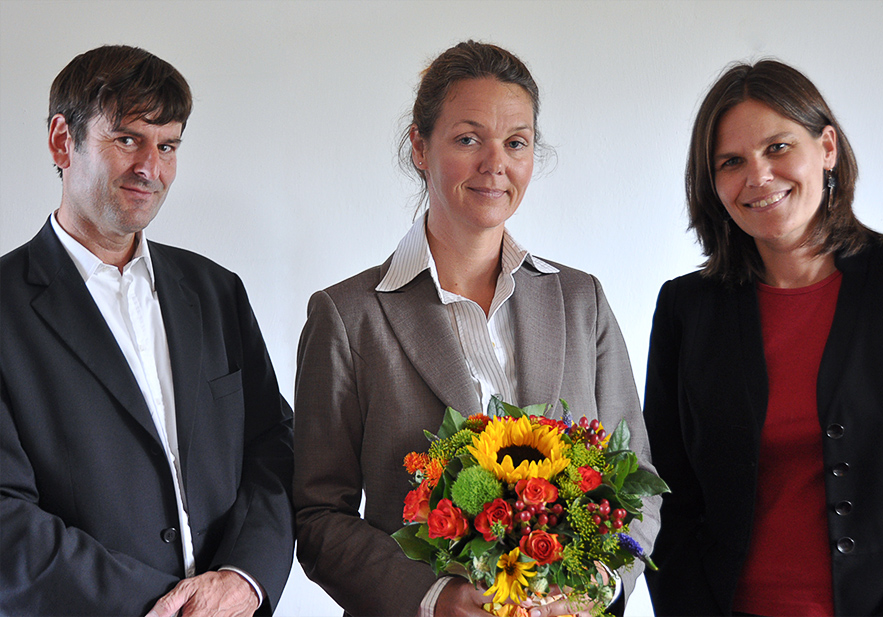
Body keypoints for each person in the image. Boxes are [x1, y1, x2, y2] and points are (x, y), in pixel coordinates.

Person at [294, 40, 660, 617]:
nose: (496, 164)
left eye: (516, 142)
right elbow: (319, 517)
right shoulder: (347, 316)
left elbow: (635, 475)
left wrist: (597, 586)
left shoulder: (580, 300)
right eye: (468, 139)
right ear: (420, 147)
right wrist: (433, 599)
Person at [0, 45, 295, 616]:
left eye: (167, 146)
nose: (150, 169)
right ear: (62, 141)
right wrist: (163, 608)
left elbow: (272, 447)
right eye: (127, 139)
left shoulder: (217, 291)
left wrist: (244, 579)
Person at [643, 59, 883, 616]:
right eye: (732, 162)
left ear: (826, 148)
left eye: (778, 147)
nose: (758, 176)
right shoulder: (687, 308)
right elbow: (664, 490)